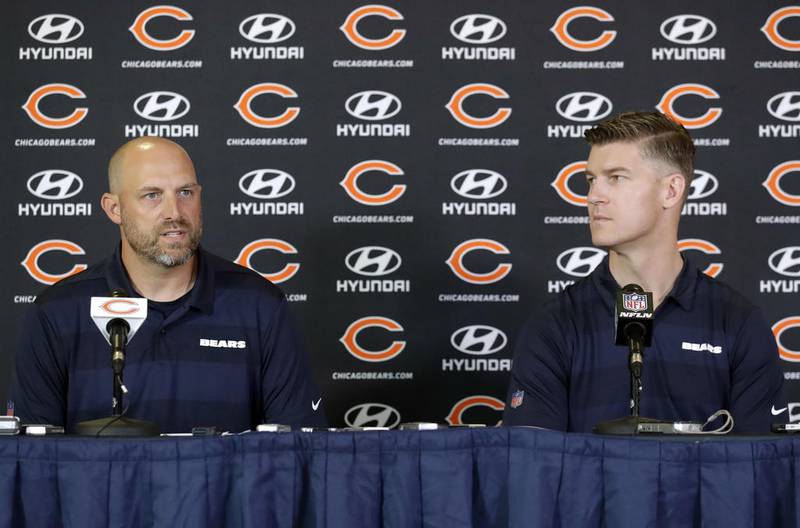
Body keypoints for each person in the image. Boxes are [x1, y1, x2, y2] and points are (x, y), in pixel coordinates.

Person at [11, 137, 326, 433]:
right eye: (152, 196)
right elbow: (33, 462)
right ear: (114, 209)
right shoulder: (58, 312)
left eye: (185, 193)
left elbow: (299, 450)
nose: (174, 213)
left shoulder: (259, 305)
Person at [503, 111, 785, 433]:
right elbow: (533, 466)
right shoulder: (554, 327)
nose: (594, 196)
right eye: (591, 179)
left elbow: (763, 468)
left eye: (616, 177)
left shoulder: (737, 323)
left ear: (671, 191)